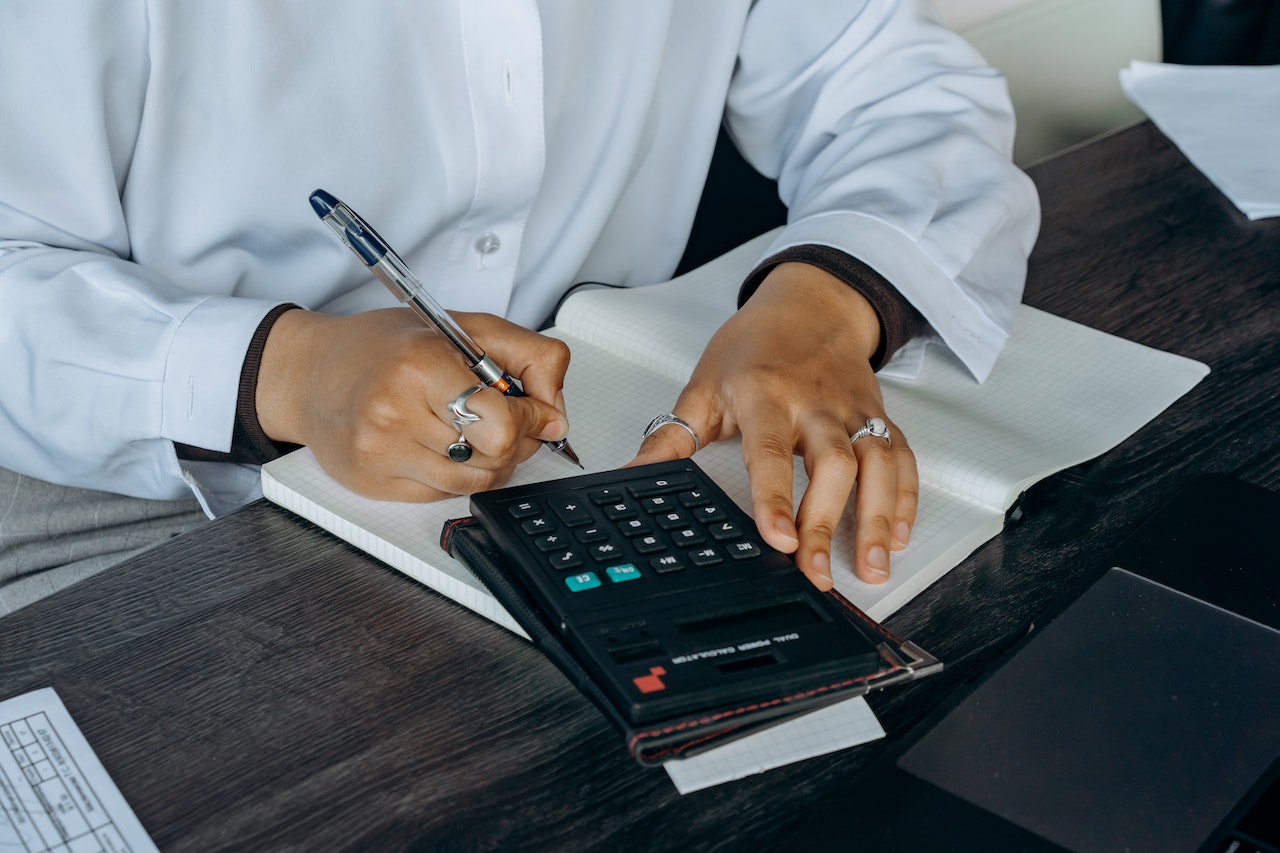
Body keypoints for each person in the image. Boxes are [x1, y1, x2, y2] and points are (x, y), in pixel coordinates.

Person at [0, 0, 1040, 614]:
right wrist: (288, 372)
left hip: (588, 415)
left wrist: (823, 305)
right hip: (125, 451)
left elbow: (888, 80)